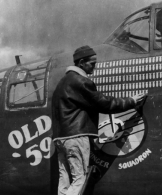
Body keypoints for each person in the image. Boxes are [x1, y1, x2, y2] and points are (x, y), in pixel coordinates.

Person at [52, 45, 146, 195]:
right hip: (76, 137)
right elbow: (104, 103)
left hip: (60, 139)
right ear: (81, 63)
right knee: (80, 179)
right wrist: (131, 101)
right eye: (92, 64)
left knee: (64, 180)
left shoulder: (62, 83)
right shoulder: (81, 82)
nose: (94, 67)